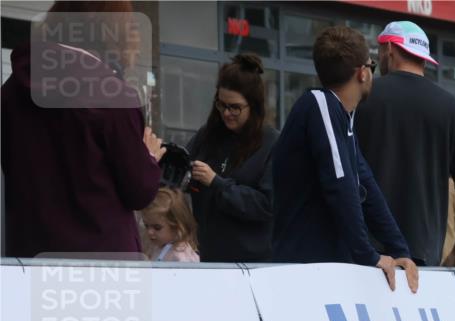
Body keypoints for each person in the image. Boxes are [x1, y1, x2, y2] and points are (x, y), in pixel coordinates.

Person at [1, 1, 164, 257]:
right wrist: (149, 156)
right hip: (102, 263)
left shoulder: (11, 92)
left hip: (29, 257)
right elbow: (139, 191)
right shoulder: (112, 95)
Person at [271, 26, 417, 292]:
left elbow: (367, 187)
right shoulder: (320, 105)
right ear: (363, 73)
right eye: (371, 65)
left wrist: (399, 250)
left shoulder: (342, 117)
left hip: (326, 269)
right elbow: (340, 185)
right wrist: (368, 255)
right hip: (305, 271)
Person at [355, 21, 455, 267]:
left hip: (365, 248)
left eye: (379, 51)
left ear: (389, 49)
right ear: (423, 58)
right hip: (423, 252)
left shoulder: (359, 98)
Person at [186, 54, 278, 263]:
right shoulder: (207, 136)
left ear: (253, 106)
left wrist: (216, 183)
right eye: (221, 105)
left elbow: (266, 205)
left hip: (255, 266)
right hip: (210, 258)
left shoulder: (272, 143)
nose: (227, 113)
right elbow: (183, 173)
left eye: (235, 107)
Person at [142, 188, 200, 262]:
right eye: (146, 225)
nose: (149, 232)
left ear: (176, 227)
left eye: (157, 227)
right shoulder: (158, 245)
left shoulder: (181, 257)